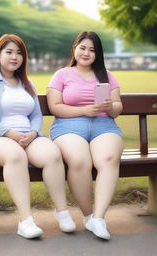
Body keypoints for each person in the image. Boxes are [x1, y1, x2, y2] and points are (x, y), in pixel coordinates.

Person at [0, 34, 76, 239]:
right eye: (9, 52)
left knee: (52, 154)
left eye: (19, 53)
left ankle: (62, 211)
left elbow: (36, 114)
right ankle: (25, 220)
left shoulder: (27, 83)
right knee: (15, 156)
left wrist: (33, 133)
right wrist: (10, 134)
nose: (14, 57)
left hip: (27, 137)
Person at [47, 31, 123, 240]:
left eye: (92, 50)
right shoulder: (62, 74)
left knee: (108, 158)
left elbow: (117, 109)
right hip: (69, 126)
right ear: (74, 49)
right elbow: (54, 107)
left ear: (98, 54)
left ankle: (99, 218)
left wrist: (110, 106)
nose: (86, 53)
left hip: (104, 125)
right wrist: (83, 110)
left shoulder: (106, 75)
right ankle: (88, 216)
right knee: (80, 160)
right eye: (83, 48)